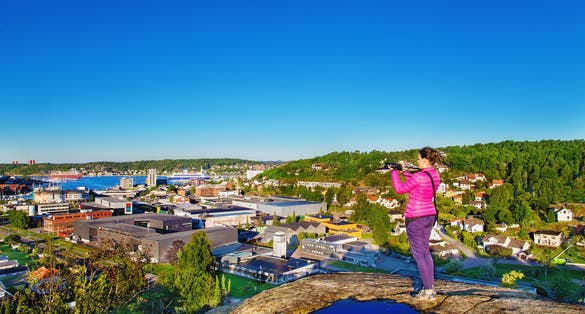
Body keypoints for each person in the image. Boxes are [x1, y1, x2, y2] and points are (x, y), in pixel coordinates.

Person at [389, 146, 443, 301]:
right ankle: (430, 287)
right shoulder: (434, 175)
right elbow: (415, 183)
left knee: (419, 254)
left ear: (425, 160)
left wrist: (394, 171)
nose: (417, 160)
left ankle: (427, 291)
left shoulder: (419, 176)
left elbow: (399, 189)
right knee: (425, 252)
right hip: (429, 216)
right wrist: (404, 171)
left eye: (419, 158)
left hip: (416, 217)